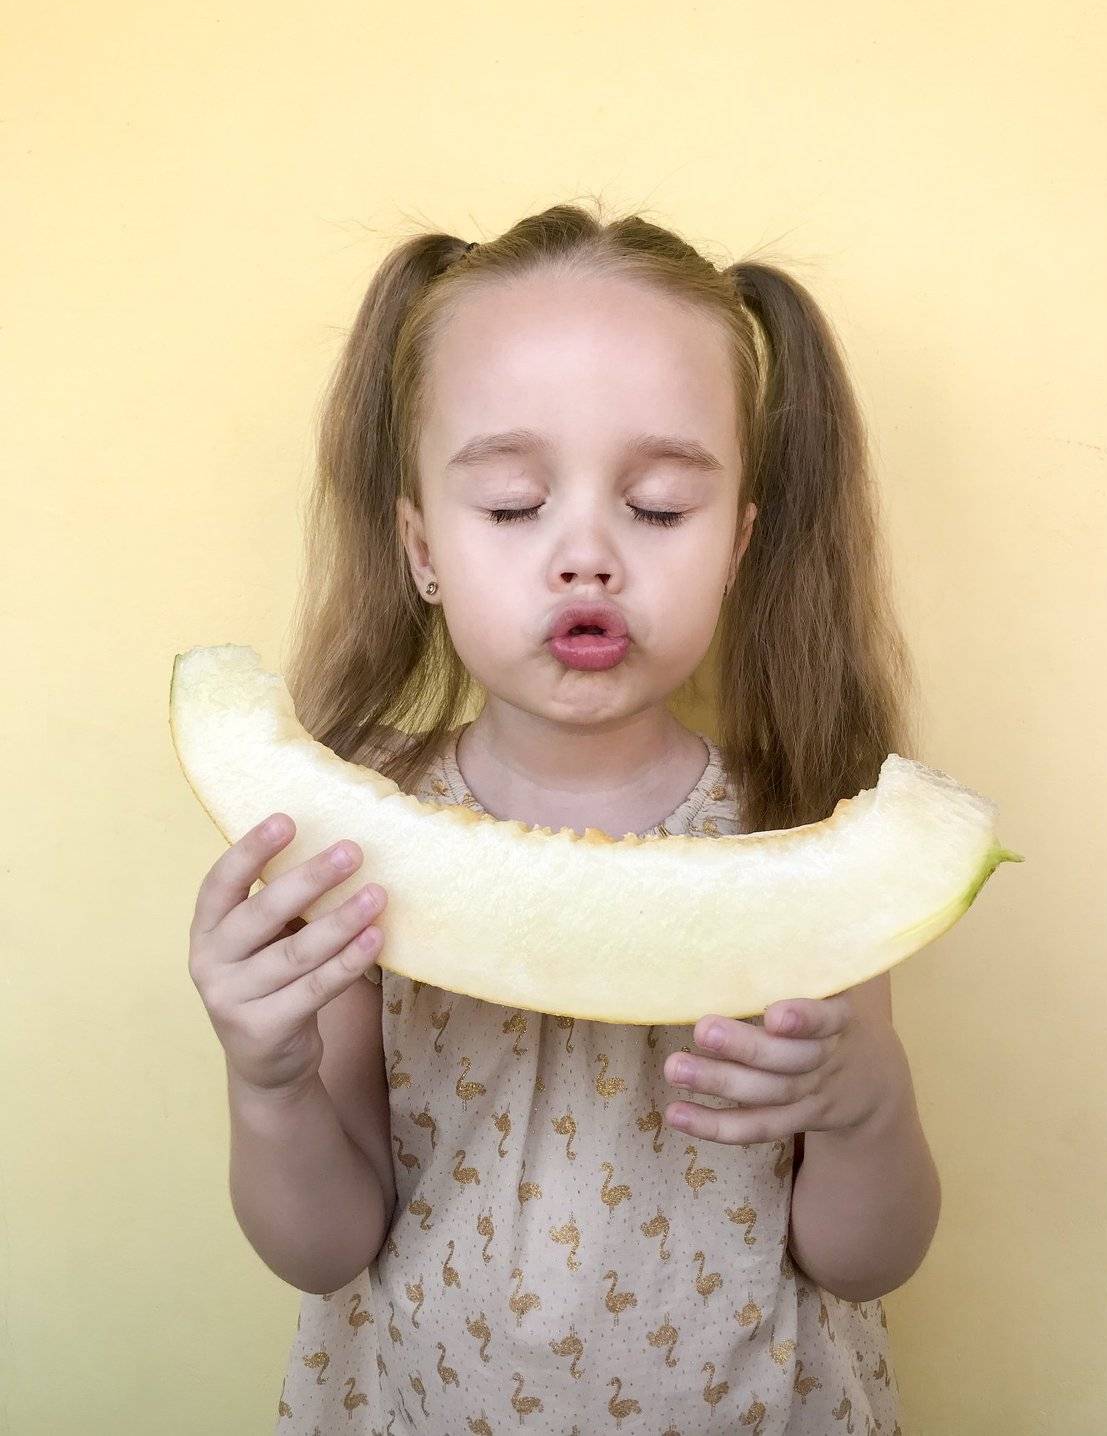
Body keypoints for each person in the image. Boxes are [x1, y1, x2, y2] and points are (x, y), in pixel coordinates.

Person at [188, 201, 940, 1434]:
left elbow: (866, 1261)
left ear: (738, 544)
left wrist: (867, 1107)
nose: (586, 554)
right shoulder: (349, 843)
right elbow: (323, 1248)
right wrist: (268, 1083)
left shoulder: (803, 832)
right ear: (422, 548)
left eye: (659, 507)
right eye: (510, 504)